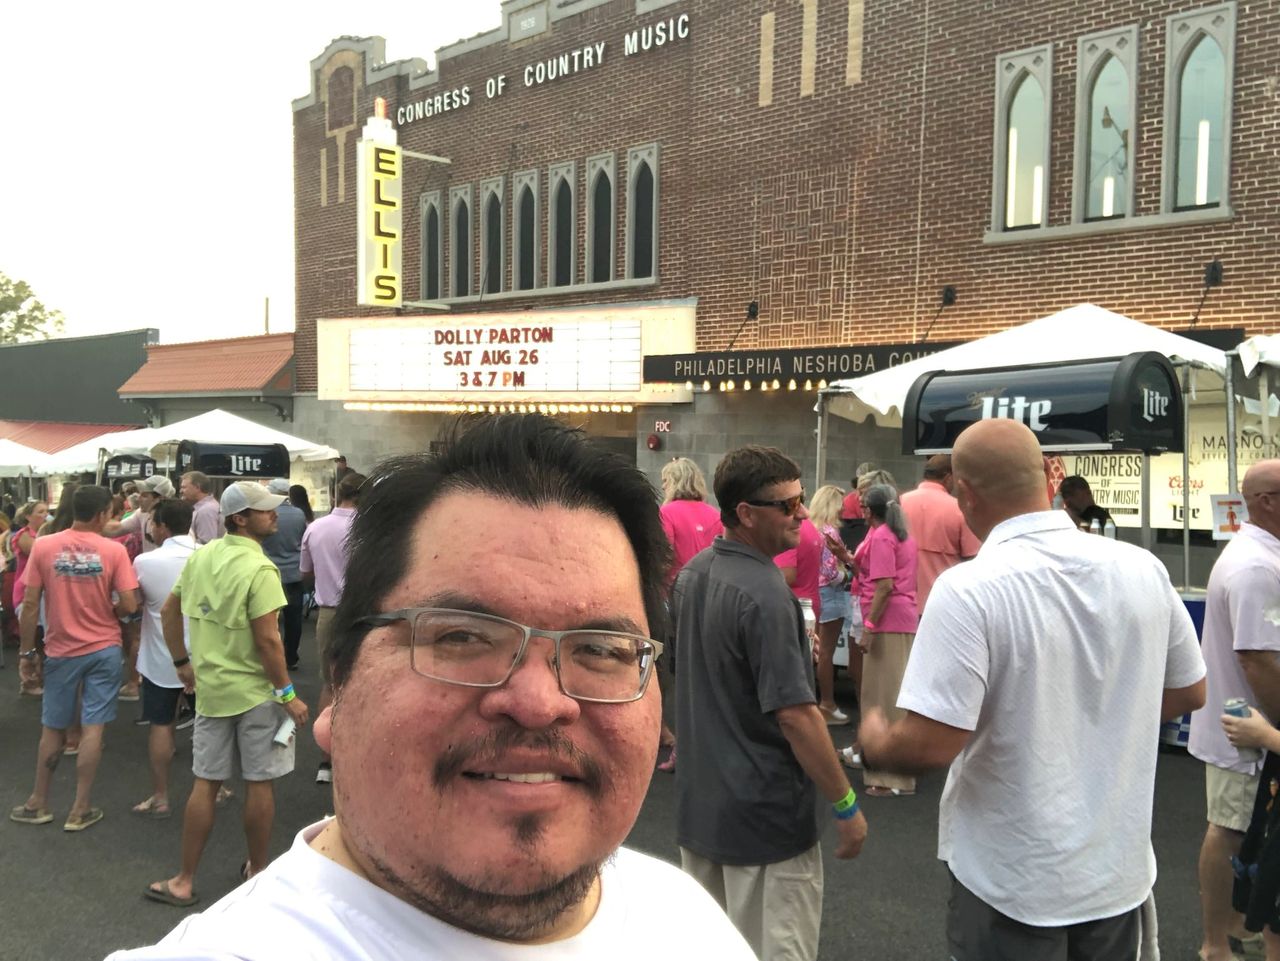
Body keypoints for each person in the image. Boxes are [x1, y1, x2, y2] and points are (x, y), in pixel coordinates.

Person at [110, 415, 755, 960]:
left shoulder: (685, 917)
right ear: (341, 684)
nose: (537, 703)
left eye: (599, 650)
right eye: (461, 638)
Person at [857, 419, 1206, 959]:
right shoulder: (1144, 567)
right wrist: (1102, 717)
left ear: (964, 494)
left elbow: (931, 742)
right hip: (1115, 872)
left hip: (1013, 877)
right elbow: (1189, 691)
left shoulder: (969, 588)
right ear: (1050, 474)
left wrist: (876, 741)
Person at [672, 445, 868, 961]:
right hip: (766, 821)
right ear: (745, 513)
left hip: (703, 813)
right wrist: (846, 803)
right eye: (787, 505)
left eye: (800, 500)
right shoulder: (764, 590)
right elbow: (797, 716)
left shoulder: (692, 576)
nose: (801, 513)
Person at [143, 481, 309, 908]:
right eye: (264, 509)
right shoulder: (261, 570)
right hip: (257, 693)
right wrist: (288, 693)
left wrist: (182, 663)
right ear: (240, 518)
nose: (274, 514)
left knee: (206, 783)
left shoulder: (202, 557)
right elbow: (269, 643)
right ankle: (256, 871)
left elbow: (168, 610)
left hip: (212, 689)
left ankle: (184, 880)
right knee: (260, 782)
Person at [1188, 459, 1280, 961]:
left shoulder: (1260, 555)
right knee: (1231, 829)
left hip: (1248, 724)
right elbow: (1258, 659)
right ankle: (1215, 943)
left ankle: (1239, 925)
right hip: (1245, 728)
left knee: (1249, 833)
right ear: (1266, 501)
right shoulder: (1255, 566)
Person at [9, 485, 140, 832]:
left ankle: (39, 802)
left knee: (52, 728)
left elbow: (30, 602)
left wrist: (26, 653)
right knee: (93, 728)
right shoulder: (113, 551)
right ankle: (80, 808)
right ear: (100, 514)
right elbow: (129, 605)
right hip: (104, 647)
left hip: (60, 649)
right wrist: (108, 609)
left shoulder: (44, 545)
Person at [833, 484, 918, 796]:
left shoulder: (882, 537)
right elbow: (873, 574)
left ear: (871, 510)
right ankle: (887, 772)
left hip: (886, 623)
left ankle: (891, 778)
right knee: (884, 698)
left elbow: (883, 585)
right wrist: (847, 557)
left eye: (864, 506)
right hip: (896, 620)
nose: (860, 510)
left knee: (884, 701)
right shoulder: (895, 533)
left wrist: (869, 627)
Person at [130, 498, 197, 820]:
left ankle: (161, 795)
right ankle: (216, 786)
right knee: (209, 726)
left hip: (160, 658)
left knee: (160, 724)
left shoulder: (145, 562)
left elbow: (132, 604)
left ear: (162, 526)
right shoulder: (208, 556)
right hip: (203, 658)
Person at [299, 469, 365, 785]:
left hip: (328, 611)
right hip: (364, 612)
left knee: (330, 682)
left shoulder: (316, 528)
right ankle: (358, 755)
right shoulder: (371, 529)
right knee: (365, 682)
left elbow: (305, 574)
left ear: (338, 495)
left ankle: (326, 759)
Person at [656, 457, 722, 771]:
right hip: (711, 598)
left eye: (665, 481)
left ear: (674, 482)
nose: (663, 487)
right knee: (707, 674)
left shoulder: (666, 513)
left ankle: (680, 747)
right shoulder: (714, 515)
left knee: (677, 673)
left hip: (675, 599)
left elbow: (662, 555)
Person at [899, 454, 980, 610]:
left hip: (902, 603)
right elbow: (973, 558)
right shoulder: (959, 508)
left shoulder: (900, 502)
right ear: (948, 477)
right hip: (943, 602)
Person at [809, 484, 851, 725]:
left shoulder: (810, 530)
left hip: (814, 594)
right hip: (831, 594)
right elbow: (831, 572)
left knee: (813, 651)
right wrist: (848, 575)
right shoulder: (830, 533)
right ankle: (827, 703)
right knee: (826, 654)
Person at [261, 478, 308, 671]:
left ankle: (272, 656)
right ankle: (291, 656)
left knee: (268, 618)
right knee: (293, 617)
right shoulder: (299, 514)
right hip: (294, 571)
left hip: (269, 571)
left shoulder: (266, 514)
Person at [11, 499, 49, 695]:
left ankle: (41, 678)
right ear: (28, 516)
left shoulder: (48, 536)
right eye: (40, 512)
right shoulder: (23, 536)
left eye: (46, 511)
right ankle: (28, 681)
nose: (45, 515)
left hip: (45, 593)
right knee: (31, 636)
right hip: (26, 591)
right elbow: (40, 553)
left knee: (44, 639)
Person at [102, 475, 175, 555]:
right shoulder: (141, 513)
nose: (138, 498)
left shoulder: (177, 514)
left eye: (144, 496)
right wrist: (90, 526)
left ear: (160, 498)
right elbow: (116, 529)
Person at [180, 471, 223, 545]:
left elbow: (206, 543)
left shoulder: (206, 511)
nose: (181, 491)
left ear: (197, 487)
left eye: (184, 487)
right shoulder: (206, 508)